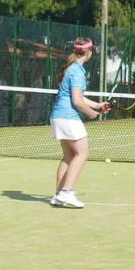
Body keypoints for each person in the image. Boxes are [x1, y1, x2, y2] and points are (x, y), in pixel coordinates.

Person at [50, 37, 108, 208]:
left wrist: (97, 105)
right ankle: (67, 192)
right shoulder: (77, 72)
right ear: (89, 52)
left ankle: (58, 195)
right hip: (68, 117)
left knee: (69, 156)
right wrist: (92, 114)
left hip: (58, 116)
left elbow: (78, 97)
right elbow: (77, 101)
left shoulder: (71, 68)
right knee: (83, 153)